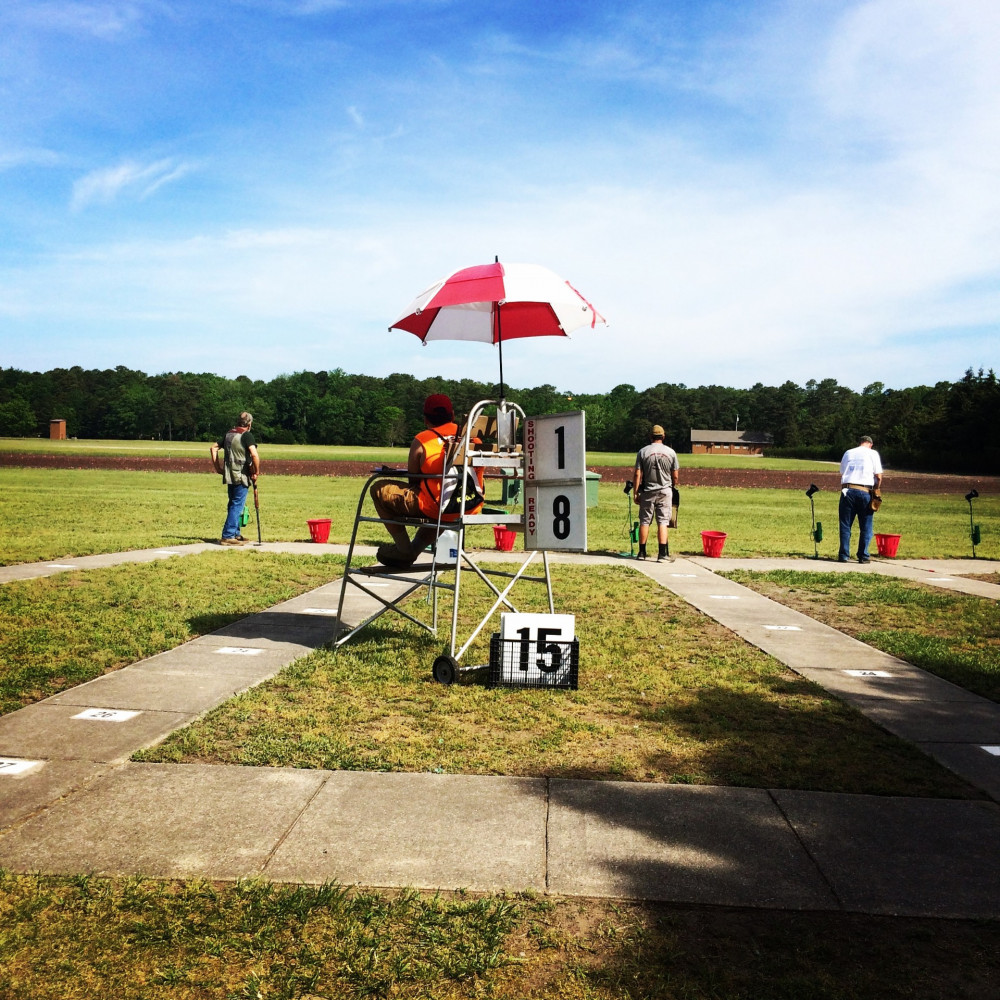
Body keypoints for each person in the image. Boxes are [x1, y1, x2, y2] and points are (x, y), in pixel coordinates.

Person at [370, 393, 483, 568]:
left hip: (439, 506)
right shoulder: (474, 438)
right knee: (441, 509)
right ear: (452, 415)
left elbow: (413, 479)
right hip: (469, 506)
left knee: (378, 488)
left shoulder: (423, 440)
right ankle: (413, 551)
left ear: (425, 418)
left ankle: (403, 549)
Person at [209, 411, 260, 546]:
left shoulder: (229, 434)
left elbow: (213, 448)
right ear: (249, 424)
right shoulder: (247, 435)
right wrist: (256, 471)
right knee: (237, 504)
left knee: (233, 503)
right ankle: (228, 535)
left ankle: (235, 533)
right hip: (241, 475)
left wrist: (218, 468)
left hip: (229, 475)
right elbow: (254, 455)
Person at [633, 424, 679, 562]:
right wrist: (672, 485)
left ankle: (642, 553)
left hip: (648, 491)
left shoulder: (643, 452)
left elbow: (637, 474)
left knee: (645, 521)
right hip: (665, 491)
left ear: (650, 436)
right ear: (663, 436)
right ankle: (662, 554)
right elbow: (675, 475)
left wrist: (636, 492)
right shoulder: (671, 452)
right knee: (663, 522)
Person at [838, 435, 883, 563]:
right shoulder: (873, 453)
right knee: (866, 525)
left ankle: (843, 555)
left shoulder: (848, 452)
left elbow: (842, 471)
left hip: (847, 490)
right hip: (865, 491)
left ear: (860, 443)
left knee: (845, 524)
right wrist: (876, 490)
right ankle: (863, 555)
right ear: (870, 444)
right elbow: (878, 477)